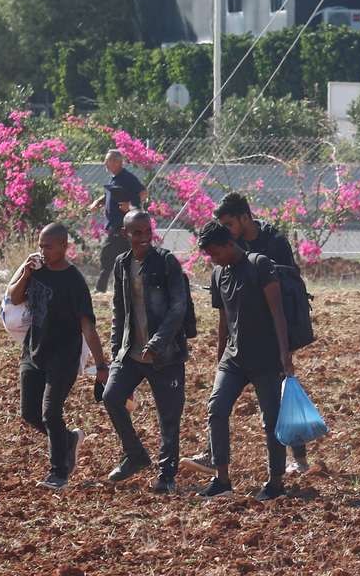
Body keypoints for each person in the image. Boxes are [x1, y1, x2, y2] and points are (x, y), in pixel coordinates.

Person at [182, 193, 313, 477]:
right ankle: (212, 454)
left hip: (274, 333)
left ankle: (298, 457)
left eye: (229, 223)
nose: (226, 230)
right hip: (242, 336)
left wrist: (285, 347)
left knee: (279, 397)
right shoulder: (232, 245)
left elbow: (287, 291)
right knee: (219, 402)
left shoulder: (274, 243)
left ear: (244, 217)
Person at [197, 221, 294, 501]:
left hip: (265, 358)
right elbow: (223, 321)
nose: (214, 259)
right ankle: (222, 479)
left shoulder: (259, 265)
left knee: (270, 419)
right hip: (233, 358)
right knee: (216, 409)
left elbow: (278, 313)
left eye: (216, 253)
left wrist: (285, 356)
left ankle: (275, 482)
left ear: (229, 243)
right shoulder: (219, 274)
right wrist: (219, 359)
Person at [7, 223, 108, 490]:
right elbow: (14, 298)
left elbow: (87, 326)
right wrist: (26, 273)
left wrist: (100, 365)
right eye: (40, 245)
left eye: (48, 246)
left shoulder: (74, 281)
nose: (42, 251)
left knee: (50, 412)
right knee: (30, 413)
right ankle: (69, 441)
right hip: (33, 351)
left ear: (64, 247)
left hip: (63, 356)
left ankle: (58, 473)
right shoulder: (36, 272)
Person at [102, 211, 190, 494]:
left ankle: (166, 474)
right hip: (131, 354)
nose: (143, 238)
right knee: (111, 396)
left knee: (168, 416)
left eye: (146, 231)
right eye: (136, 233)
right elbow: (119, 309)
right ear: (125, 234)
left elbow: (179, 307)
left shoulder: (165, 262)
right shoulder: (122, 264)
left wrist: (158, 342)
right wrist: (117, 350)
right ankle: (135, 455)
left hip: (165, 357)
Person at [91, 150, 147, 293]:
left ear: (117, 162)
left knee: (108, 256)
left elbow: (143, 193)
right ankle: (128, 288)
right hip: (115, 226)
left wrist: (130, 205)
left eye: (108, 160)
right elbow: (110, 194)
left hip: (122, 226)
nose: (105, 163)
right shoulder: (114, 178)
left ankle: (101, 288)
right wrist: (99, 201)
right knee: (120, 259)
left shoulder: (127, 178)